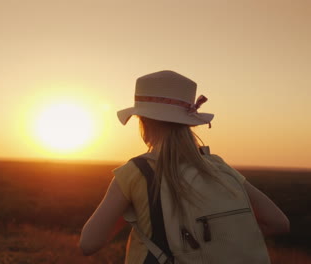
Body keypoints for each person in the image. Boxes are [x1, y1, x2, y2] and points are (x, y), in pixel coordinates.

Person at [79, 70, 289, 263]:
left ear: (143, 122)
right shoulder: (217, 165)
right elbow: (278, 222)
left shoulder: (137, 172)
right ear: (188, 123)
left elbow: (88, 244)